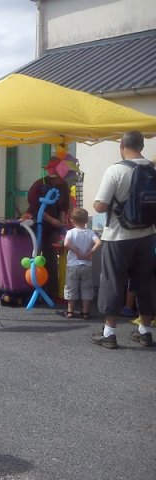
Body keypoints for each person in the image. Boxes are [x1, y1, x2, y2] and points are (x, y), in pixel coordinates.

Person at [92, 130, 155, 348]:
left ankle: (109, 333)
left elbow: (100, 204)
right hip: (147, 234)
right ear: (142, 146)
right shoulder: (152, 169)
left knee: (113, 281)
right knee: (146, 282)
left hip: (118, 236)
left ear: (121, 145)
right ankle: (145, 331)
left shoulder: (115, 170)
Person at [24, 157, 72, 299]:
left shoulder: (63, 186)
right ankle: (32, 289)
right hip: (39, 226)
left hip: (54, 228)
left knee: (50, 257)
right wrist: (52, 220)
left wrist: (62, 219)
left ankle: (52, 291)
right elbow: (35, 207)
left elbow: (64, 205)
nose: (61, 180)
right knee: (35, 256)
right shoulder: (38, 186)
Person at [62, 208, 101, 319]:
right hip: (87, 265)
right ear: (86, 221)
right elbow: (98, 242)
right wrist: (90, 253)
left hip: (73, 265)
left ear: (72, 220)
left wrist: (76, 252)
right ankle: (85, 312)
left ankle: (70, 311)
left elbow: (66, 244)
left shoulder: (71, 232)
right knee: (86, 288)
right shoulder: (90, 233)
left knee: (71, 287)